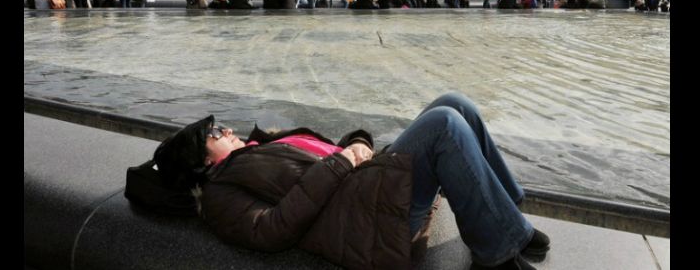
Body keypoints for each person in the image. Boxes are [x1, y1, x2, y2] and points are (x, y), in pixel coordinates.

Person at [154, 92, 550, 270]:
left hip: (367, 184)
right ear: (203, 163)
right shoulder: (221, 192)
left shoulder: (259, 144)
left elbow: (329, 149)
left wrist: (355, 143)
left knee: (455, 102)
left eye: (219, 125)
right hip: (369, 217)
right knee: (444, 124)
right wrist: (343, 162)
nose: (224, 129)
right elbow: (269, 233)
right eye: (214, 132)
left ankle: (508, 216)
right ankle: (495, 255)